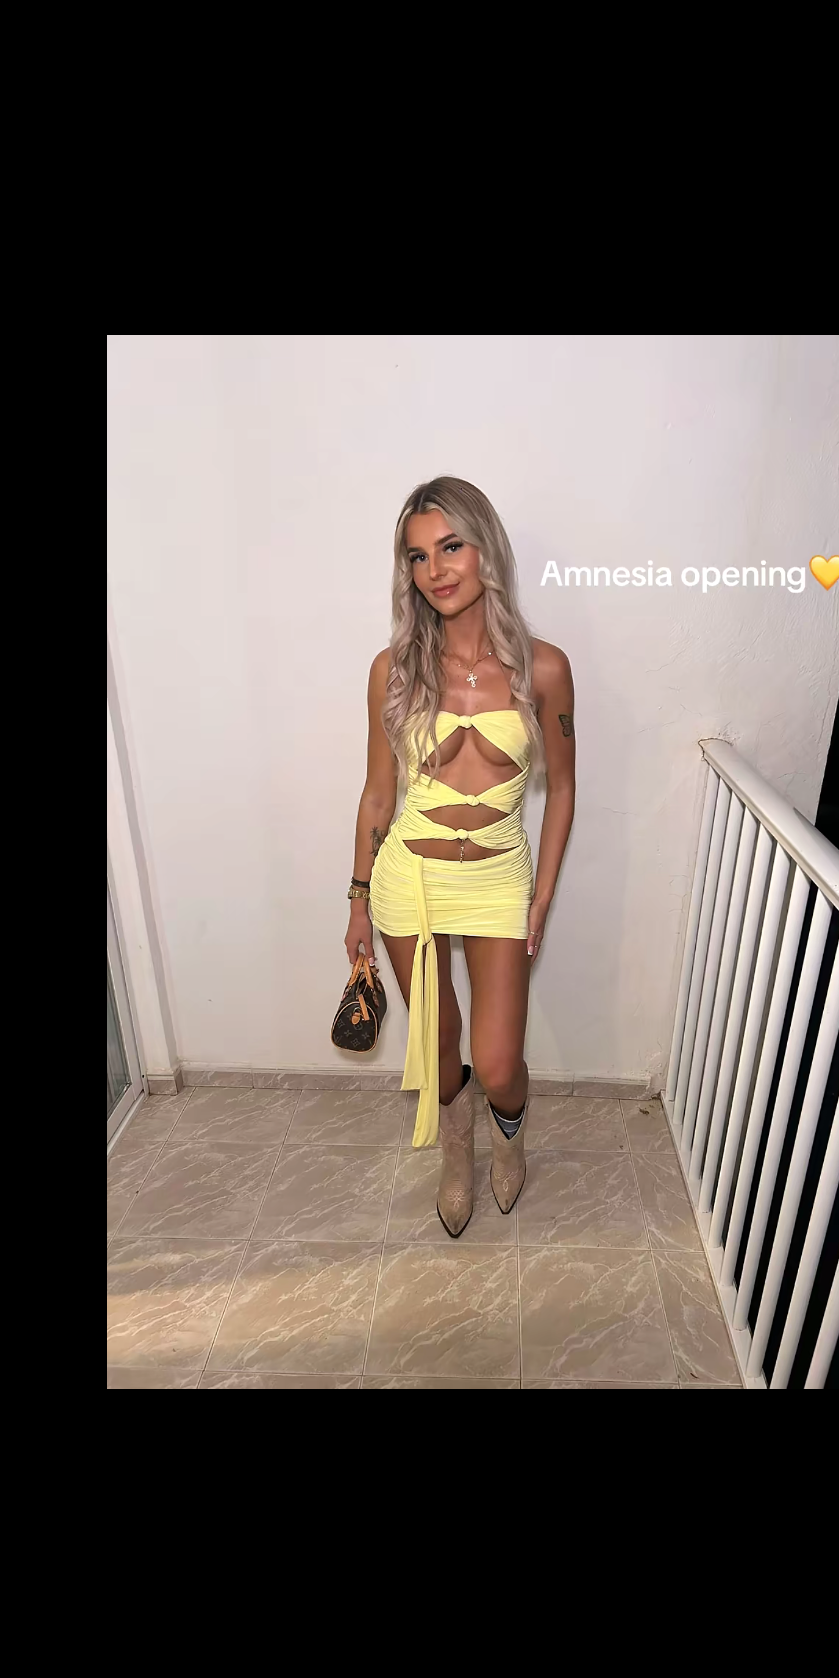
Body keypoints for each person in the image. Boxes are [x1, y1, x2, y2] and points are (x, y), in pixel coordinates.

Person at [345, 477, 576, 1233]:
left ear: (486, 550)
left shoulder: (544, 669)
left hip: (498, 877)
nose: (435, 569)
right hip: (408, 877)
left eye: (451, 546)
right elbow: (378, 794)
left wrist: (542, 897)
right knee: (440, 1048)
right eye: (417, 556)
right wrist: (357, 901)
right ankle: (456, 1153)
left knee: (500, 1063)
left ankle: (508, 1138)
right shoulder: (393, 669)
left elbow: (564, 788)